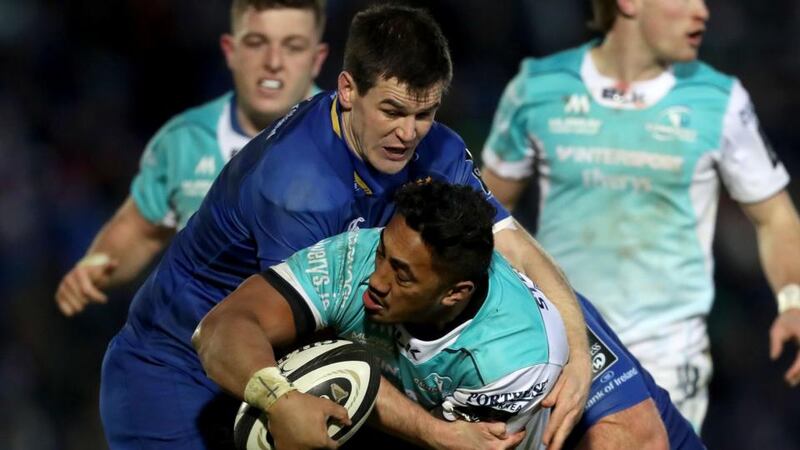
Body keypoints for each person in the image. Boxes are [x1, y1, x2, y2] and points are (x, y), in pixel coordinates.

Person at [99, 5, 591, 450]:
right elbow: (325, 347)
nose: (409, 133)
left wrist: (577, 352)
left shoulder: (436, 146)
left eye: (425, 113)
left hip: (287, 365)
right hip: (178, 372)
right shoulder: (299, 189)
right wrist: (442, 434)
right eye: (393, 111)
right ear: (348, 90)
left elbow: (511, 244)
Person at [480, 0, 800, 431]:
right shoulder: (537, 88)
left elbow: (775, 216)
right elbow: (486, 214)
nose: (703, 12)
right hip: (561, 348)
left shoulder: (719, 99)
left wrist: (793, 299)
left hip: (668, 362)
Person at [194, 180, 704, 449]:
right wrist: (279, 398)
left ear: (454, 294)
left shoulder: (517, 357)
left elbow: (457, 443)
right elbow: (220, 329)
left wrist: (355, 368)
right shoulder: (358, 259)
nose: (376, 280)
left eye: (402, 274)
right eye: (382, 255)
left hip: (589, 422)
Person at [54, 0, 329, 317]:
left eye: (293, 47)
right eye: (256, 43)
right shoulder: (184, 140)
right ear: (230, 50)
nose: (273, 62)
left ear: (317, 58)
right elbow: (140, 230)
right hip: (197, 355)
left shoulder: (351, 141)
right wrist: (96, 263)